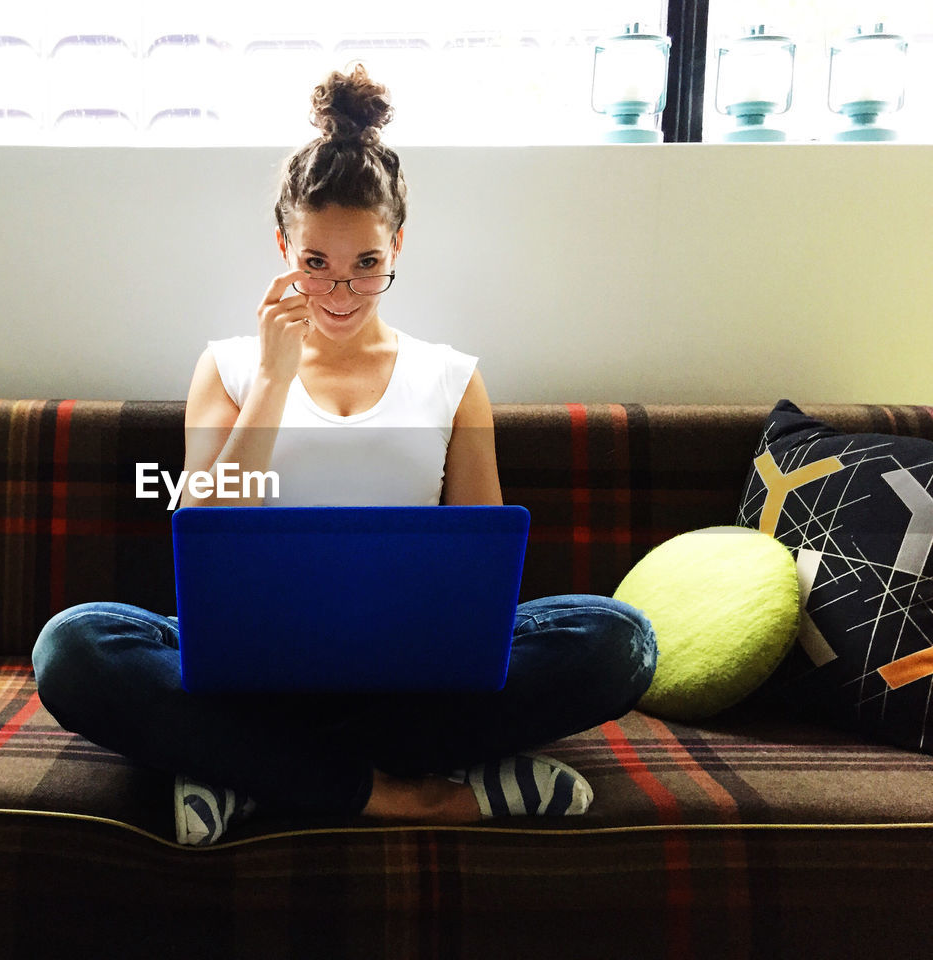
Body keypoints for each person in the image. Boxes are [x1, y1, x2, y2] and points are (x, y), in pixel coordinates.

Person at [32, 64, 657, 846]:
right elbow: (201, 527)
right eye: (315, 264)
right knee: (73, 649)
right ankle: (403, 792)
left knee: (618, 640)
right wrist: (272, 380)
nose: (338, 294)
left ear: (396, 243)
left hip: (405, 685)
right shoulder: (227, 369)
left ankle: (253, 776)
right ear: (283, 247)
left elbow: (484, 584)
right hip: (246, 676)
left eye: (366, 265)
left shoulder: (453, 380)